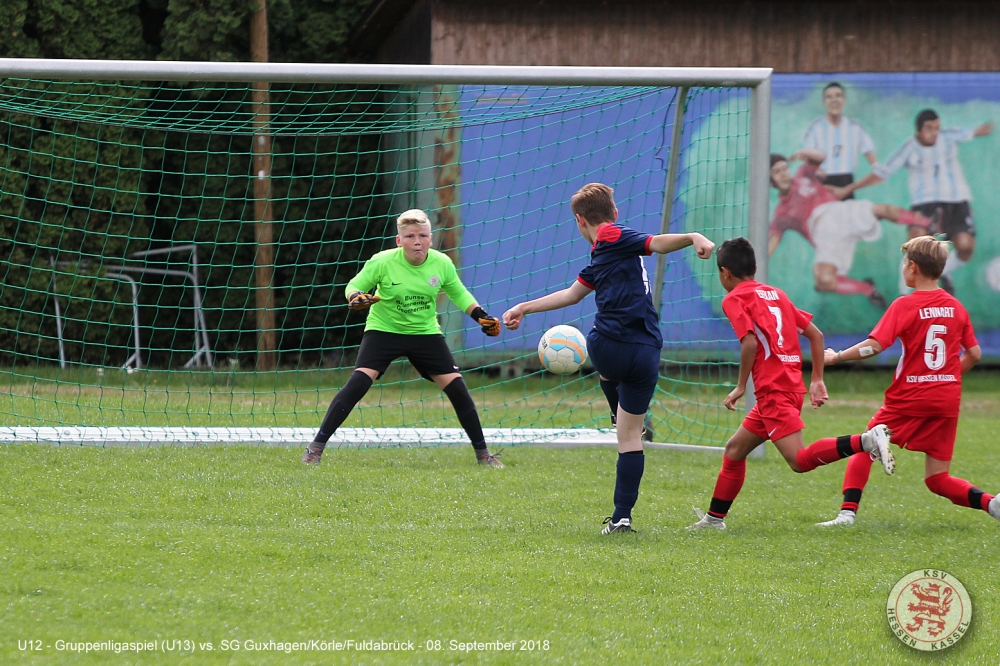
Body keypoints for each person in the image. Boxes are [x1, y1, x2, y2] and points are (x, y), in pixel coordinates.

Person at [502, 183, 715, 534]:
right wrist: (525, 307)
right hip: (647, 351)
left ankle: (616, 415)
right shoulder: (605, 255)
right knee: (631, 439)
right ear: (615, 211)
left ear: (579, 220)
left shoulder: (610, 235)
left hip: (609, 347)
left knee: (603, 362)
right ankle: (622, 516)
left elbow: (656, 243)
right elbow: (573, 293)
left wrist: (693, 236)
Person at [688, 238, 894, 530]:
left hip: (773, 390)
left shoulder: (734, 298)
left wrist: (740, 386)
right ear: (754, 267)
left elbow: (749, 343)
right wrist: (817, 379)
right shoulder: (776, 294)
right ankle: (714, 520)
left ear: (725, 272)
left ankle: (866, 441)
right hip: (789, 386)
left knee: (799, 461)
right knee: (734, 450)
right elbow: (816, 335)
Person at [818, 236, 998, 527]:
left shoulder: (905, 305)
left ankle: (847, 513)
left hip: (910, 397)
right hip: (946, 399)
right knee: (937, 478)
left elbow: (874, 346)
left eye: (904, 263)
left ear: (913, 267)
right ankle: (992, 503)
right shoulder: (956, 307)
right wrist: (946, 377)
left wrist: (836, 357)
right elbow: (974, 353)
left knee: (867, 443)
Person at [302, 209, 505, 468]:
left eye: (422, 236)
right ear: (399, 241)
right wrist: (355, 297)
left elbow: (459, 293)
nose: (417, 242)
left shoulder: (442, 263)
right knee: (358, 383)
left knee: (458, 389)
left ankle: (484, 455)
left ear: (431, 238)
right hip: (384, 330)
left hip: (425, 333)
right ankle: (315, 448)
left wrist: (481, 317)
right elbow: (353, 285)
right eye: (410, 236)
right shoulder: (382, 261)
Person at [835, 109, 993, 295]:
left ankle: (943, 271)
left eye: (937, 127)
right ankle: (904, 295)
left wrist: (984, 128)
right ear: (918, 131)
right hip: (925, 205)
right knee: (915, 248)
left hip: (956, 202)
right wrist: (848, 189)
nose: (934, 132)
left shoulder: (949, 137)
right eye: (929, 128)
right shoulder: (909, 148)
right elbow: (883, 173)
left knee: (965, 247)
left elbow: (974, 131)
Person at [768, 150, 934, 309]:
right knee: (823, 281)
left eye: (784, 168)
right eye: (777, 172)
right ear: (770, 181)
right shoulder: (781, 214)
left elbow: (820, 156)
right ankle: (867, 288)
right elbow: (770, 246)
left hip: (839, 213)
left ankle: (929, 223)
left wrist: (803, 152)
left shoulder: (804, 175)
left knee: (884, 210)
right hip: (826, 238)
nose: (783, 174)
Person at [802, 82, 877, 197]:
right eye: (829, 97)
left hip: (847, 183)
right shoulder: (815, 128)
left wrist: (875, 167)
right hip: (823, 184)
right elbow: (808, 156)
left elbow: (870, 153)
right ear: (823, 101)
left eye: (838, 96)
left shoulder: (855, 127)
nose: (834, 100)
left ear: (844, 99)